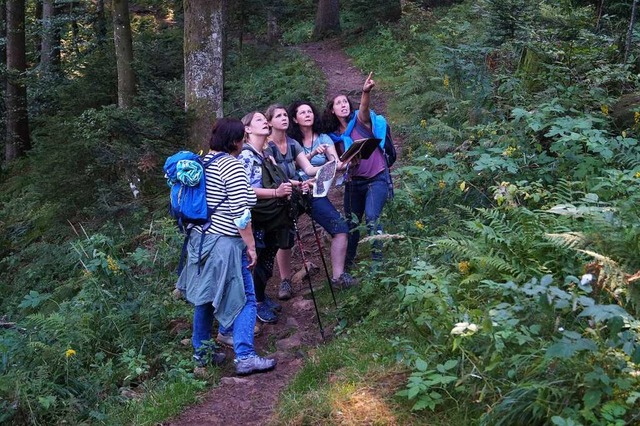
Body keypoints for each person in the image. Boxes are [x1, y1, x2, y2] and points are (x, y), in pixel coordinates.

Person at [176, 118, 276, 376]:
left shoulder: (204, 163)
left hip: (200, 240)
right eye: (242, 137)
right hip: (224, 243)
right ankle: (245, 356)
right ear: (234, 141)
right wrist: (251, 246)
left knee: (205, 296)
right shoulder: (231, 165)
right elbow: (241, 214)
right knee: (247, 298)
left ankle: (203, 354)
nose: (244, 142)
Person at [321, 72, 391, 269]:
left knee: (371, 217)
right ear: (332, 111)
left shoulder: (360, 121)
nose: (343, 105)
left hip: (376, 178)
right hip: (353, 183)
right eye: (338, 103)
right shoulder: (332, 137)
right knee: (350, 224)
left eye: (345, 102)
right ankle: (347, 267)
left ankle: (379, 264)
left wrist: (365, 92)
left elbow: (364, 108)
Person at [286, 100, 356, 289]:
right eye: (303, 112)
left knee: (340, 229)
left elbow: (335, 163)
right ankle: (285, 281)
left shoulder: (324, 138)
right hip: (291, 192)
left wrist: (349, 161)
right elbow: (287, 168)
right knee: (283, 236)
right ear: (295, 118)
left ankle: (338, 277)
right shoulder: (290, 142)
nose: (308, 115)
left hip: (315, 192)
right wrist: (312, 158)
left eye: (310, 111)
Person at [238, 111, 294, 323]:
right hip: (257, 216)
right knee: (258, 259)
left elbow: (276, 180)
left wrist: (294, 185)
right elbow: (245, 190)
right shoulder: (246, 156)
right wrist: (276, 193)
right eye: (259, 120)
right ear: (248, 129)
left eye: (264, 119)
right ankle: (256, 304)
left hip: (271, 216)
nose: (265, 123)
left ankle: (261, 297)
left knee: (268, 256)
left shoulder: (264, 153)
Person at [264, 104, 324, 299]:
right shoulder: (266, 147)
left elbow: (308, 169)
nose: (284, 118)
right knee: (283, 239)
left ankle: (285, 281)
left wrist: (332, 166)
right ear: (270, 122)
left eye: (285, 115)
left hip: (293, 193)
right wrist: (299, 182)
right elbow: (274, 177)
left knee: (288, 235)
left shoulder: (292, 144)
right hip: (276, 198)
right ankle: (284, 280)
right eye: (278, 116)